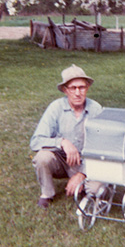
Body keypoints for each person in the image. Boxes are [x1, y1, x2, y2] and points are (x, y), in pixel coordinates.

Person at [30, 64, 102, 208]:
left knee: (98, 190)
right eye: (72, 88)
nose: (77, 93)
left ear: (87, 88)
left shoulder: (96, 109)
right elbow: (35, 141)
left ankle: (84, 186)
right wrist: (62, 142)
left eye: (81, 87)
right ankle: (47, 193)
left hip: (88, 161)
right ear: (65, 90)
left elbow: (101, 148)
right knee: (42, 157)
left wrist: (82, 173)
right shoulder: (55, 108)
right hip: (62, 160)